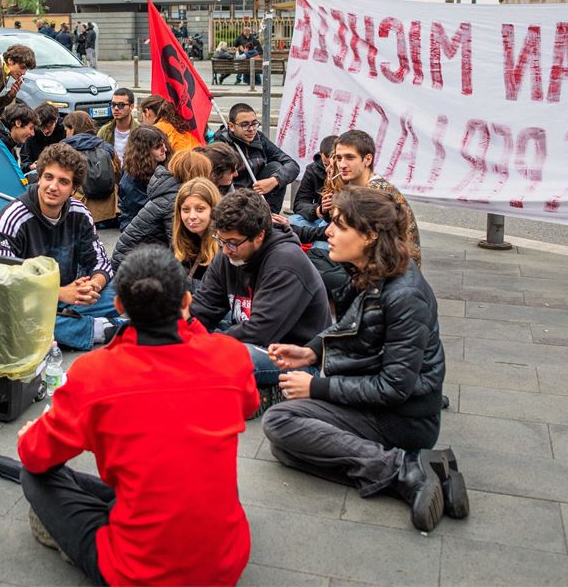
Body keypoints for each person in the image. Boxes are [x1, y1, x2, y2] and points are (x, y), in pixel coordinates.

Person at [19, 245, 258, 587]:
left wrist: (32, 433)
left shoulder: (95, 373)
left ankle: (82, 537)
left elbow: (35, 454)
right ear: (187, 303)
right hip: (225, 564)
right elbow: (248, 406)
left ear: (119, 306)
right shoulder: (230, 356)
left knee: (34, 476)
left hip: (138, 574)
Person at [261, 188, 463, 533]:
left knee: (280, 422)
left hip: (405, 419)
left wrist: (316, 386)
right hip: (381, 407)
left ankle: (405, 470)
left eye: (339, 226)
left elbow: (394, 387)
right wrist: (312, 351)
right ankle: (420, 472)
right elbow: (348, 326)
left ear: (369, 236)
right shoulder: (373, 272)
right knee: (289, 451)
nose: (328, 232)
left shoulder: (405, 295)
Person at [189, 189, 330, 413]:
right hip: (247, 335)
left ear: (260, 235)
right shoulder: (228, 252)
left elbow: (260, 332)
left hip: (292, 356)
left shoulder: (285, 262)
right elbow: (202, 309)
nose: (225, 250)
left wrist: (201, 348)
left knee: (226, 357)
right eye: (221, 240)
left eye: (233, 243)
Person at [0, 143, 119, 350]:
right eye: (48, 177)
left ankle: (74, 322)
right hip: (29, 300)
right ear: (39, 178)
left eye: (63, 181)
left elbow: (100, 260)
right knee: (16, 321)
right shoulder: (13, 218)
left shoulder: (79, 212)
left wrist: (93, 286)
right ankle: (101, 329)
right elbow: (1, 282)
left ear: (73, 189)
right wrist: (58, 293)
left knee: (123, 294)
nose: (53, 187)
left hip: (71, 294)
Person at [324, 129, 422, 267]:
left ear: (367, 159)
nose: (342, 165)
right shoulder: (358, 187)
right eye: (339, 158)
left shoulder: (376, 193)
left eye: (350, 157)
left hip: (390, 268)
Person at [111, 148, 213, 271]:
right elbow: (180, 251)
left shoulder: (171, 191)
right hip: (132, 267)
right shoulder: (174, 200)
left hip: (133, 258)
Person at [215, 103, 300, 212]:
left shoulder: (259, 138)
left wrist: (274, 180)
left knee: (276, 167)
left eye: (254, 124)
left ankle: (272, 217)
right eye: (245, 125)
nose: (251, 129)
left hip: (257, 191)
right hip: (232, 198)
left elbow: (292, 165)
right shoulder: (220, 144)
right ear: (231, 126)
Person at [62, 110, 120, 227]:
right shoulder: (107, 148)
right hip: (109, 214)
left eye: (66, 130)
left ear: (72, 129)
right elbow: (118, 175)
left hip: (78, 215)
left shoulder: (64, 150)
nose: (66, 134)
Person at [171, 177, 223, 293]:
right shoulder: (180, 242)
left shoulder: (226, 246)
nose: (192, 216)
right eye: (185, 210)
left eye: (200, 209)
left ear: (214, 210)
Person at [117, 125, 169, 231]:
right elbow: (153, 209)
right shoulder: (130, 181)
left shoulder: (162, 166)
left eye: (163, 144)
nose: (164, 149)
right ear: (144, 152)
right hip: (137, 231)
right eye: (157, 147)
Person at [293, 135, 338, 222]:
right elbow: (300, 203)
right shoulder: (313, 169)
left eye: (332, 166)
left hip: (338, 221)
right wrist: (319, 210)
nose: (327, 169)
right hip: (319, 217)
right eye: (326, 165)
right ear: (321, 155)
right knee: (294, 221)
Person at [96, 87, 140, 163]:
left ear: (131, 107)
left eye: (121, 105)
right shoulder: (104, 131)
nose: (116, 108)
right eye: (113, 104)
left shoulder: (140, 131)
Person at [20, 103, 66, 173]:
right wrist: (31, 166)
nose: (46, 131)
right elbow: (24, 162)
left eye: (48, 126)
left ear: (56, 119)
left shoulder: (65, 130)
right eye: (42, 127)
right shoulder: (32, 133)